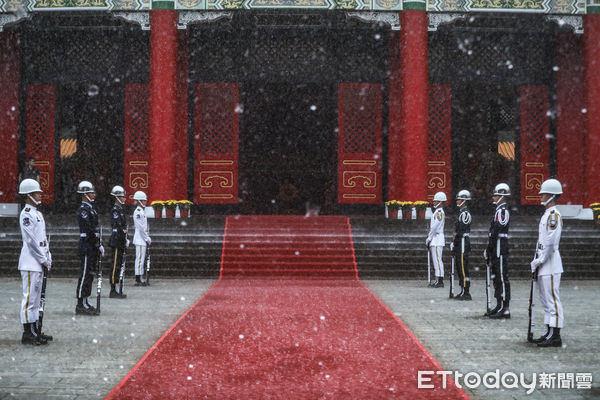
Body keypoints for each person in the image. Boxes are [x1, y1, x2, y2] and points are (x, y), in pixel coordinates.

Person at [530, 178, 564, 347]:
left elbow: (551, 242)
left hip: (550, 262)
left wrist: (540, 260)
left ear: (551, 195)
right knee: (545, 299)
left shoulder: (554, 216)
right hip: (543, 261)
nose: (541, 196)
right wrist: (537, 259)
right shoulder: (547, 214)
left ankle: (556, 335)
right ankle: (549, 331)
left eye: (543, 193)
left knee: (552, 299)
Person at [17, 179, 52, 345]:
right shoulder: (26, 214)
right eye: (37, 193)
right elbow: (31, 242)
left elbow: (42, 239)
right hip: (31, 262)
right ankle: (27, 333)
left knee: (36, 300)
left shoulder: (38, 213)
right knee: (29, 299)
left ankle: (35, 330)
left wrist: (48, 255)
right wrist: (43, 259)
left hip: (39, 261)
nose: (40, 195)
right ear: (29, 195)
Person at [76, 180, 104, 315]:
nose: (94, 194)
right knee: (84, 275)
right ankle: (80, 303)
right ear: (85, 194)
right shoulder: (83, 210)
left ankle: (86, 300)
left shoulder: (91, 209)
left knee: (90, 276)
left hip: (92, 245)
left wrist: (99, 244)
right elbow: (89, 229)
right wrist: (96, 242)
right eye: (91, 192)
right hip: (87, 245)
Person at [484, 183, 511, 318]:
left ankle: (505, 307)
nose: (493, 197)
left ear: (502, 196)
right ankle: (499, 303)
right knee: (496, 276)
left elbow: (497, 229)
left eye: (495, 195)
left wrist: (491, 246)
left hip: (500, 245)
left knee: (501, 276)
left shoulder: (502, 211)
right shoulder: (498, 210)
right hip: (496, 245)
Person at [451, 190, 472, 300]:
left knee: (463, 268)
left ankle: (466, 291)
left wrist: (455, 241)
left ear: (463, 201)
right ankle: (463, 290)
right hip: (460, 242)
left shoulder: (465, 213)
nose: (457, 201)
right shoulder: (461, 212)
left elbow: (461, 230)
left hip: (463, 242)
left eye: (459, 199)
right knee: (460, 267)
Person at [109, 185, 128, 299]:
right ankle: (113, 289)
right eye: (123, 196)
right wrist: (123, 235)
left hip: (121, 240)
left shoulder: (120, 210)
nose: (125, 198)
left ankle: (117, 287)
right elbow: (118, 226)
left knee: (119, 265)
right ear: (117, 197)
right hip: (116, 240)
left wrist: (126, 238)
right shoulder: (115, 210)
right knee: (115, 265)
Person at [426, 192, 447, 288]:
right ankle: (437, 279)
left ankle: (440, 280)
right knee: (436, 260)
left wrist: (429, 238)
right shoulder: (437, 212)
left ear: (440, 202)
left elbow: (434, 227)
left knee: (438, 260)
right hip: (435, 238)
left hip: (437, 238)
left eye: (436, 201)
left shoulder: (439, 213)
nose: (433, 202)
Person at [132, 191, 151, 286]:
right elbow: (140, 228)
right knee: (139, 259)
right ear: (139, 201)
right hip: (140, 239)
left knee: (141, 259)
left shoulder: (141, 211)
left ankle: (140, 277)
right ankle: (138, 279)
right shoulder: (138, 212)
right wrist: (146, 238)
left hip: (141, 238)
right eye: (143, 200)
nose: (145, 202)